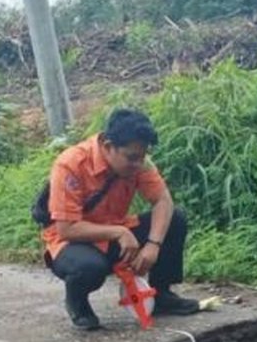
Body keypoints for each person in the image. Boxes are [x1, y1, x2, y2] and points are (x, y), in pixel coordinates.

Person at [43, 108, 201, 330]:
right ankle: (77, 302)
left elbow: (163, 202)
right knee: (89, 267)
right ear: (108, 147)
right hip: (73, 241)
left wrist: (153, 245)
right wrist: (119, 233)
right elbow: (67, 229)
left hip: (117, 233)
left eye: (143, 156)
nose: (139, 164)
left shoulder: (140, 162)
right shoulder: (70, 164)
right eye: (132, 158)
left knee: (175, 219)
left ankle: (161, 294)